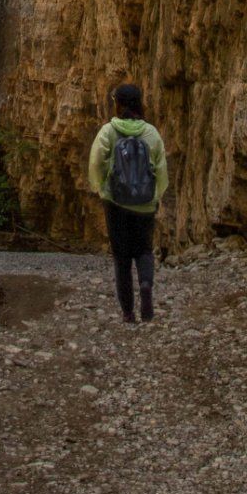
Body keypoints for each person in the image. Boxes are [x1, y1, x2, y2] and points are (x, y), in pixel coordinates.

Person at [87, 82, 167, 323]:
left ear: (118, 104)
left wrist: (100, 188)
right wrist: (156, 196)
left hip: (116, 203)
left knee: (121, 257)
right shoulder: (151, 133)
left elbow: (96, 163)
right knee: (144, 250)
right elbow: (161, 169)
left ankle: (128, 312)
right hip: (144, 203)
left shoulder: (109, 131)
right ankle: (145, 285)